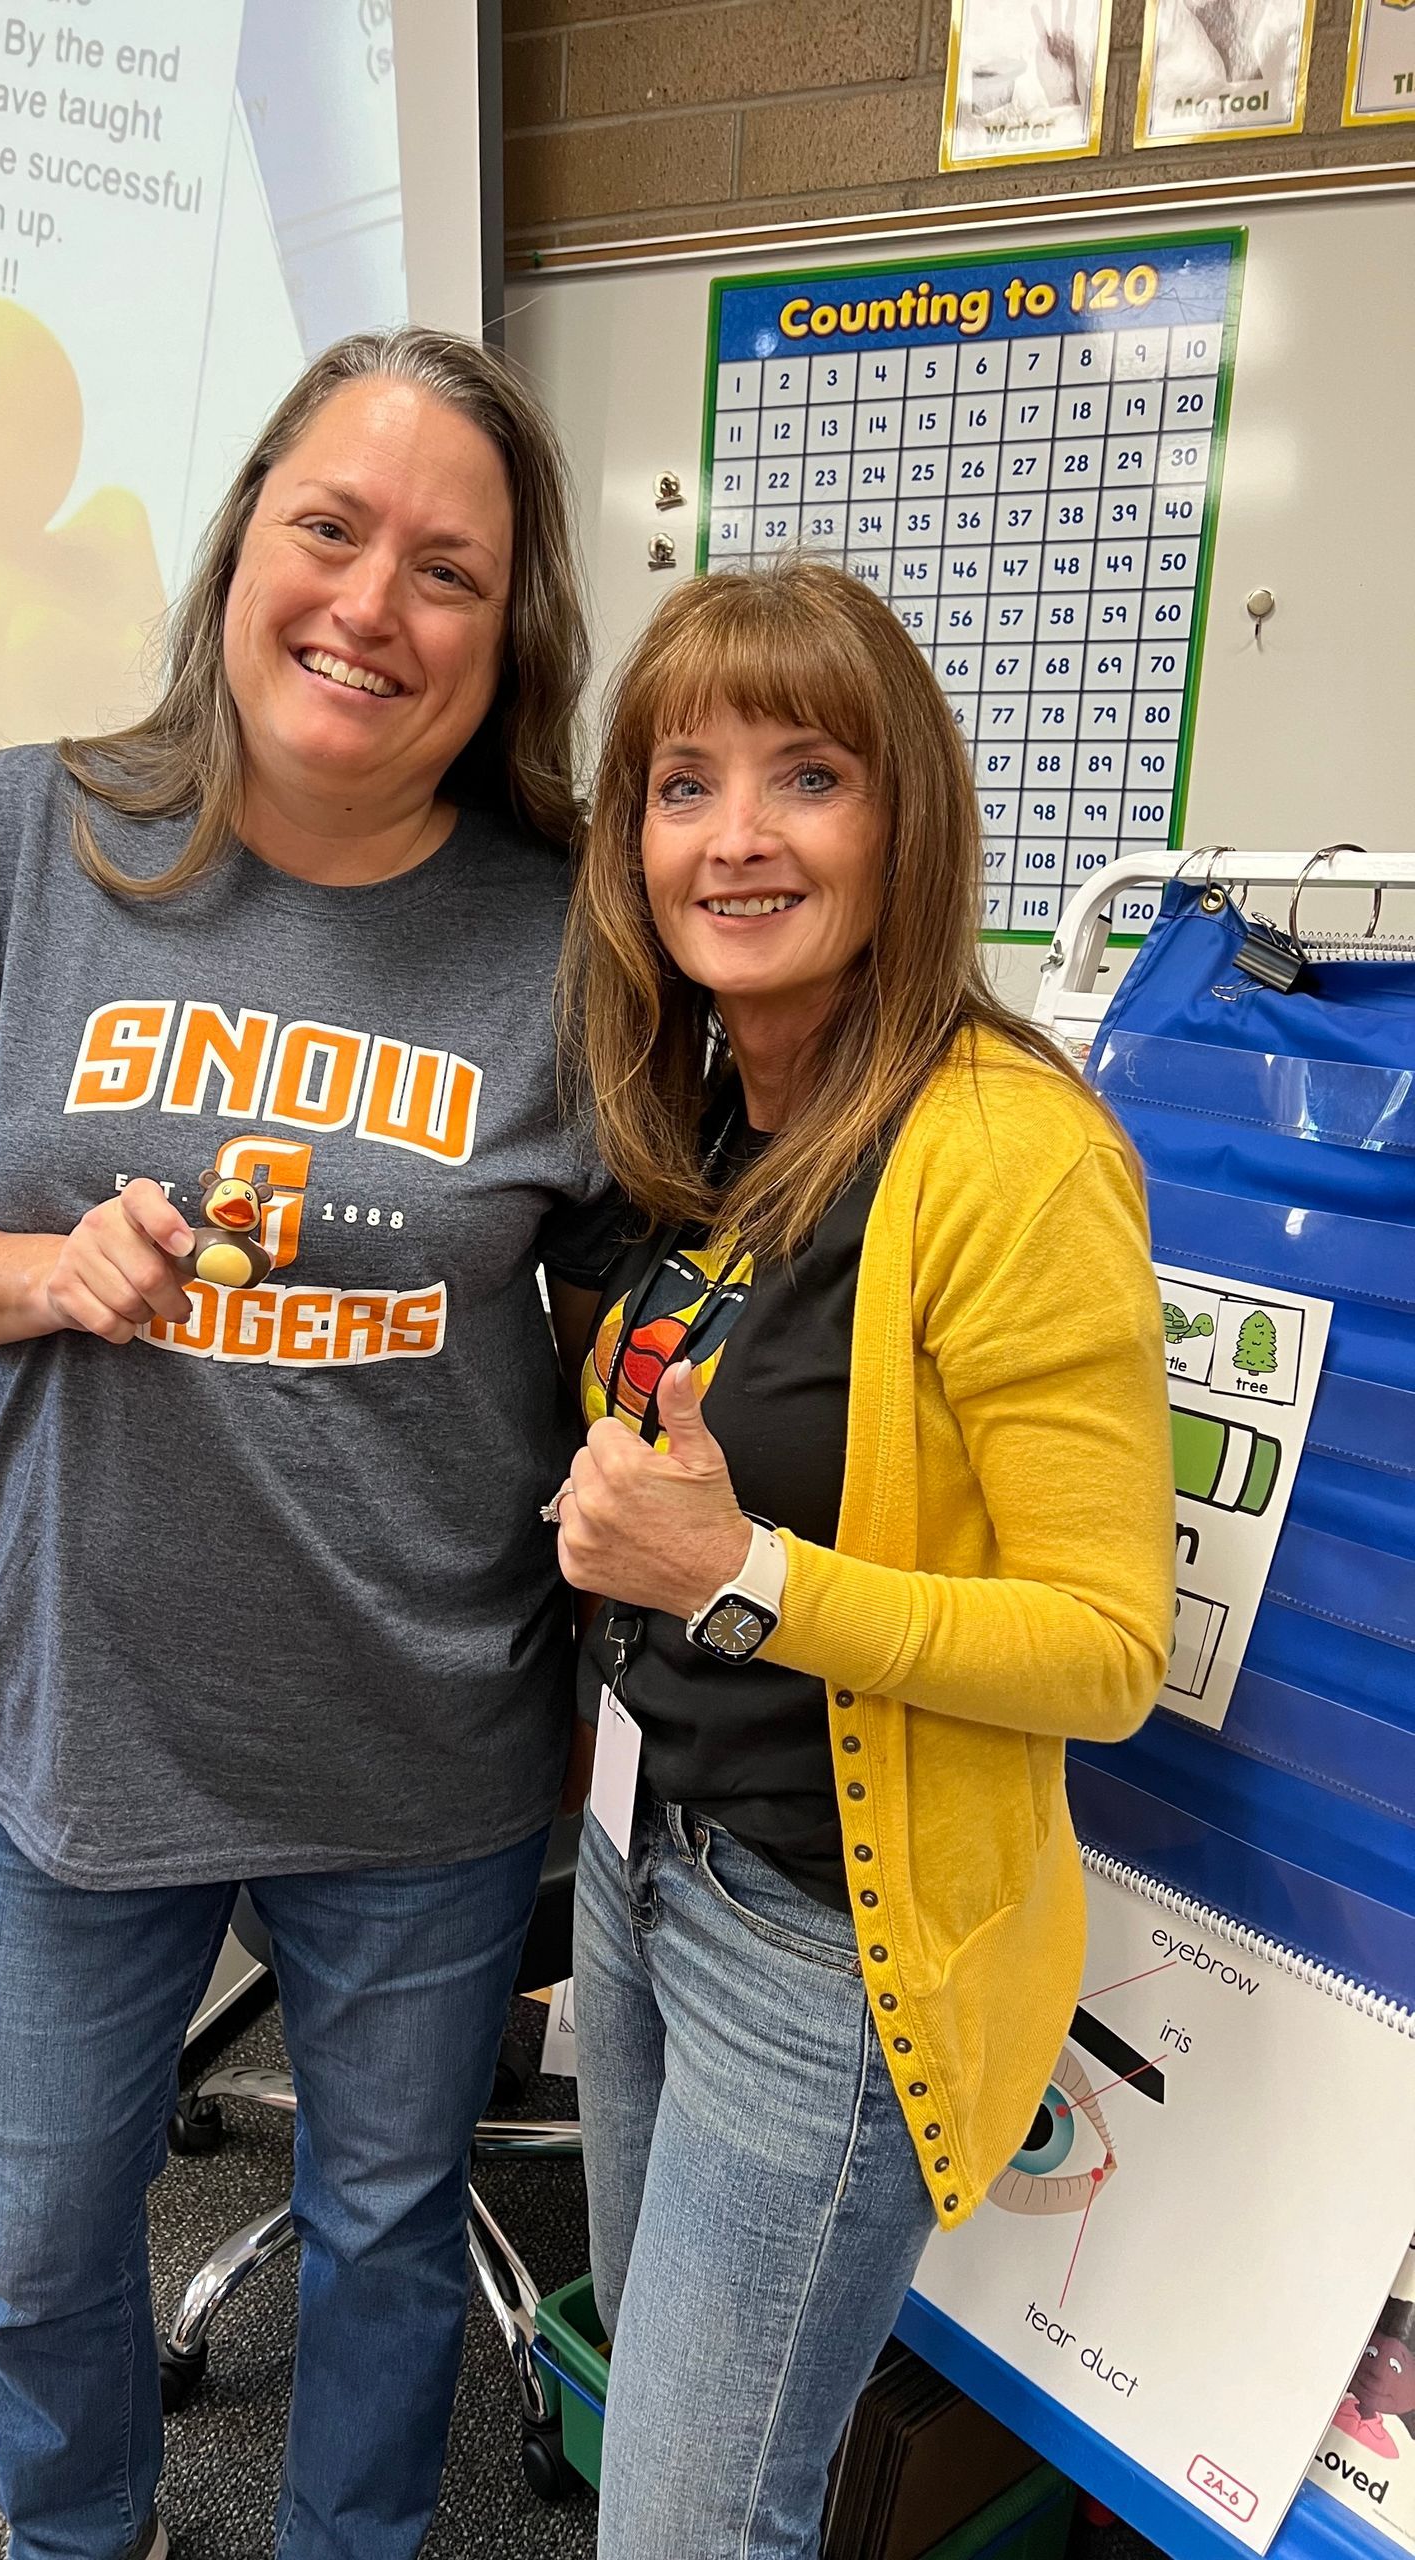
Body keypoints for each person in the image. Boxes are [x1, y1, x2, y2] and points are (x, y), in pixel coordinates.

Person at [0, 327, 621, 2560]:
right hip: (90, 1714)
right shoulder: (20, 838)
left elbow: (634, 1323)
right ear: (243, 539)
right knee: (43, 2246)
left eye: (447, 568)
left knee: (380, 2231)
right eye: (330, 529)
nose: (372, 603)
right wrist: (45, 1270)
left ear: (510, 628)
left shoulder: (568, 934)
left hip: (427, 1728)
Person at [551, 557, 1175, 2560]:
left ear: (901, 821)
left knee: (686, 2521)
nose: (733, 834)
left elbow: (1104, 1649)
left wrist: (744, 1572)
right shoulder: (709, 1106)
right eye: (680, 781)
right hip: (644, 1859)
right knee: (649, 2407)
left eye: (805, 774)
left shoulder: (1006, 1147)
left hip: (823, 1943)